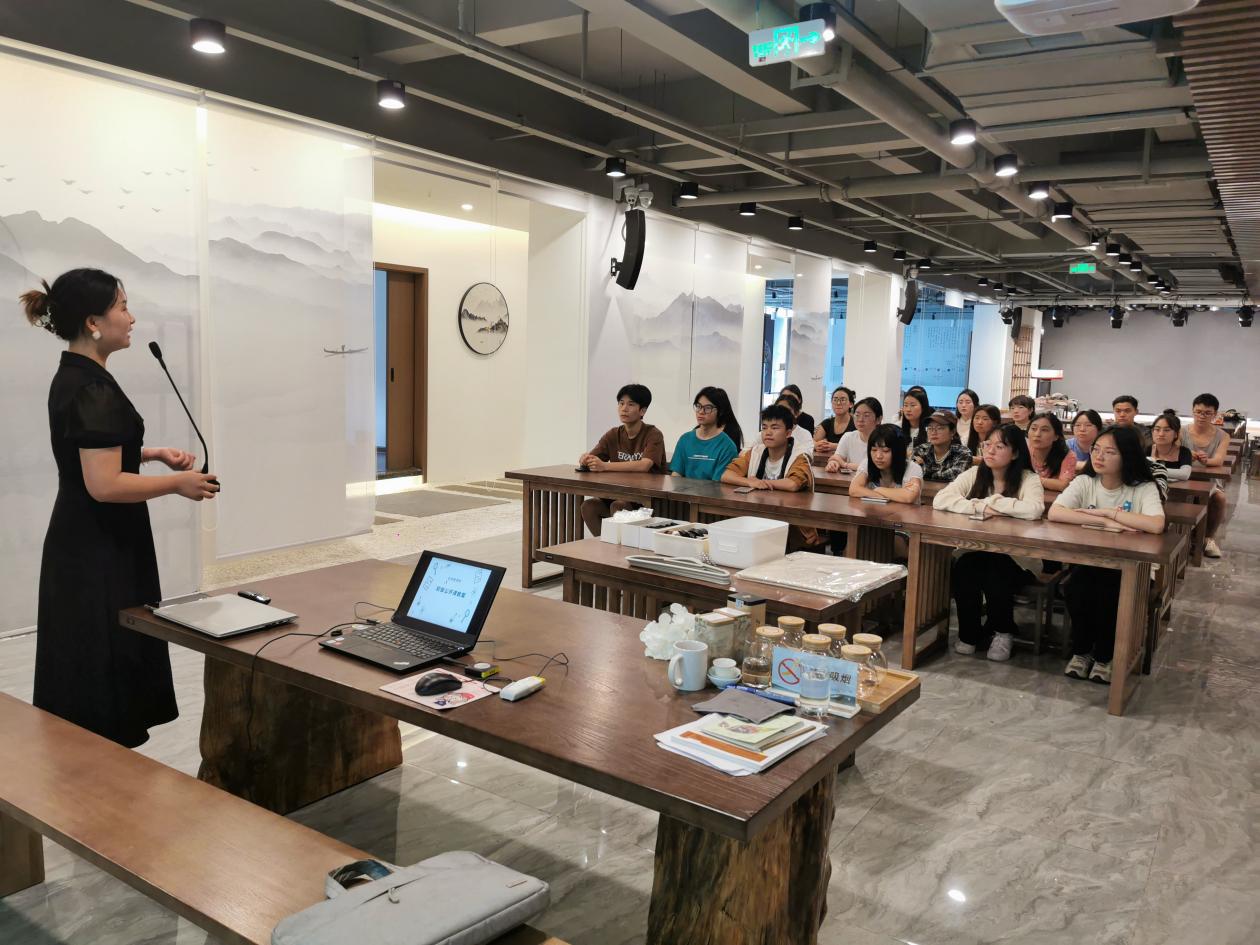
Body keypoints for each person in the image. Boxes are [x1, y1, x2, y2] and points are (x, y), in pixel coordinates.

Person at [21, 269, 220, 748]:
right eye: (123, 307)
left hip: (85, 540)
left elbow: (91, 454)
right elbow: (105, 484)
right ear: (93, 322)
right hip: (97, 550)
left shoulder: (76, 375)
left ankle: (96, 771)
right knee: (101, 667)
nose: (131, 318)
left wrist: (149, 454)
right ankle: (102, 778)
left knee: (92, 664)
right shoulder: (92, 388)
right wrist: (178, 483)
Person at [1049, 426, 1165, 684]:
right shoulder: (1085, 481)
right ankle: (1081, 652)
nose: (1099, 456)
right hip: (1091, 562)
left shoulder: (1143, 487)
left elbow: (1156, 524)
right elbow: (1055, 512)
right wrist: (1104, 522)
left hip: (1133, 569)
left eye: (1110, 452)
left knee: (1109, 592)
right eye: (1096, 450)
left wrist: (1107, 513)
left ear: (1128, 455)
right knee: (1075, 588)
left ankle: (1105, 656)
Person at [934, 424, 1045, 662]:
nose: (990, 450)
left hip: (1018, 558)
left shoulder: (1028, 479)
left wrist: (993, 501)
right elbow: (941, 499)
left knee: (996, 569)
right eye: (987, 444)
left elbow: (1034, 510)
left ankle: (1003, 631)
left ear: (1015, 453)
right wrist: (980, 506)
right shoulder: (975, 473)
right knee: (964, 568)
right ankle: (970, 633)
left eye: (1000, 446)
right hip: (975, 550)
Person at [722, 404, 820, 548]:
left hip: (792, 525)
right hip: (759, 520)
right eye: (764, 427)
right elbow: (726, 475)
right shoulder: (756, 452)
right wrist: (749, 482)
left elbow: (793, 483)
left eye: (775, 428)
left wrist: (762, 483)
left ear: (788, 433)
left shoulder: (799, 455)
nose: (768, 432)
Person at [578, 383, 666, 537]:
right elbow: (595, 458)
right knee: (589, 506)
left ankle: (619, 548)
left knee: (619, 507)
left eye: (631, 404)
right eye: (621, 403)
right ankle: (605, 545)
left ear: (642, 410)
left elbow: (644, 465)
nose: (624, 408)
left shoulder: (653, 434)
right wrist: (586, 459)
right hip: (619, 492)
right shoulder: (613, 434)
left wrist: (605, 466)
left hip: (646, 499)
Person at [1181, 393, 1229, 558]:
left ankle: (1208, 538)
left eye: (1207, 413)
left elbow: (1219, 459)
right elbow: (1175, 453)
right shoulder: (1181, 431)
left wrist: (1206, 460)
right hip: (1183, 478)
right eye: (1198, 412)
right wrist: (1188, 455)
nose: (1202, 416)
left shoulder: (1223, 436)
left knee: (1220, 499)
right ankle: (1178, 537)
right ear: (1193, 411)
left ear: (1215, 414)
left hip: (1210, 481)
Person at [670, 386, 741, 480]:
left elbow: (720, 482)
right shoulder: (685, 439)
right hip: (684, 489)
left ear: (720, 411)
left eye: (707, 408)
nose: (701, 412)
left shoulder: (727, 446)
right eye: (698, 406)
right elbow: (676, 474)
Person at [850, 424, 922, 504]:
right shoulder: (867, 463)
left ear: (898, 452)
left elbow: (909, 497)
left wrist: (878, 489)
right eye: (874, 450)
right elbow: (854, 489)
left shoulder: (913, 468)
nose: (878, 456)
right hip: (875, 511)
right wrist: (883, 496)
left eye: (885, 451)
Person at [913, 409, 972, 482]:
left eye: (939, 428)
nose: (933, 432)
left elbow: (954, 476)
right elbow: (911, 474)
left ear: (952, 431)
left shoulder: (963, 453)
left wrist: (924, 470)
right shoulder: (921, 450)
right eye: (930, 428)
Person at [826, 396, 882, 473]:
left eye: (866, 415)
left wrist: (845, 464)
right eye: (857, 415)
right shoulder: (848, 437)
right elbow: (837, 457)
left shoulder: (885, 440)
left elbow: (875, 468)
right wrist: (833, 463)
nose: (860, 419)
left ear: (878, 419)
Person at [1026, 412, 1076, 493]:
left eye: (1044, 430)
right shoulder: (1023, 450)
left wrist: (1032, 480)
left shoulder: (1067, 455)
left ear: (1056, 436)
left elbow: (1063, 485)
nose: (1037, 434)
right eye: (1033, 429)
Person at [1149, 410, 1193, 483]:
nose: (1161, 434)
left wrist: (1153, 470)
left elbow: (1185, 474)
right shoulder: (1147, 449)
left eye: (1166, 430)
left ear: (1176, 434)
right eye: (1157, 429)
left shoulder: (1184, 452)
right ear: (1152, 432)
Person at [814, 386, 855, 458]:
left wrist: (836, 446)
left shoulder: (856, 423)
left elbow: (861, 446)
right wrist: (816, 445)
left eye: (843, 400)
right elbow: (812, 441)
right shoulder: (827, 423)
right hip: (828, 461)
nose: (838, 403)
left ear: (851, 404)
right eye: (835, 400)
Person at [774, 394, 815, 459]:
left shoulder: (805, 435)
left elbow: (806, 457)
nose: (782, 414)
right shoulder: (765, 433)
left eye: (787, 410)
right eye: (779, 409)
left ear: (796, 414)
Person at [900, 389, 931, 456]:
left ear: (923, 408)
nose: (908, 409)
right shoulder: (898, 428)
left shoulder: (930, 430)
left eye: (912, 405)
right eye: (905, 405)